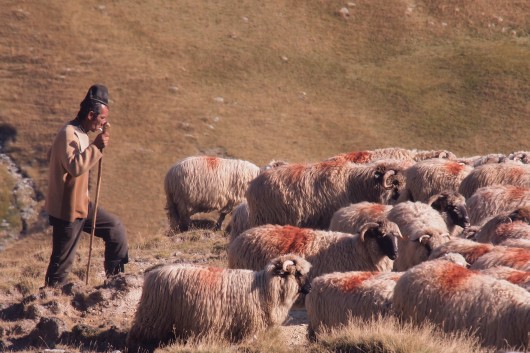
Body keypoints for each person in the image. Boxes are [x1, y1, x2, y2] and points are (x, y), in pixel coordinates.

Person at [44, 84, 128, 287]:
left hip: (82, 203)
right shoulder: (68, 133)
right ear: (91, 115)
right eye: (102, 119)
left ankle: (114, 282)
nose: (103, 124)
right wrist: (97, 146)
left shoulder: (80, 133)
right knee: (62, 264)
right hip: (67, 209)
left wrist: (94, 146)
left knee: (115, 229)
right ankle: (49, 298)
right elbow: (74, 167)